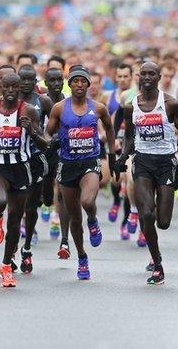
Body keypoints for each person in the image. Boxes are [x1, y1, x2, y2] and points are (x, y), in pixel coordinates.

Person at [118, 62, 178, 284]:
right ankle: (157, 262)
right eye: (144, 74)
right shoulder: (131, 106)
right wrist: (122, 157)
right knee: (146, 214)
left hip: (166, 163)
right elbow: (130, 136)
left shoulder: (170, 103)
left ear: (159, 77)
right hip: (142, 162)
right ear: (138, 77)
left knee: (163, 222)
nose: (147, 77)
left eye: (152, 74)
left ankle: (167, 192)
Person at [0, 73, 47, 287]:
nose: (12, 90)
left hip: (21, 168)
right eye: (7, 87)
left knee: (15, 220)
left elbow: (44, 142)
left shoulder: (28, 111)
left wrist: (31, 130)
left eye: (15, 86)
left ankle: (6, 265)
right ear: (0, 87)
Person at [45, 65, 118, 280]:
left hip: (89, 162)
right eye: (75, 81)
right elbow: (47, 133)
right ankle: (82, 258)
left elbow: (110, 129)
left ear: (88, 84)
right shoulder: (59, 108)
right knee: (75, 219)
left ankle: (93, 220)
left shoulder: (99, 108)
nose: (79, 85)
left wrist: (112, 157)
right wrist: (52, 142)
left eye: (83, 81)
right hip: (67, 164)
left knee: (87, 202)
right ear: (70, 84)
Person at [17, 65, 53, 272]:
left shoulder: (43, 101)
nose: (27, 83)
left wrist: (43, 137)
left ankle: (27, 248)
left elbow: (51, 128)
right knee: (15, 207)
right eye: (24, 79)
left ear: (36, 81)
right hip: (13, 159)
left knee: (31, 208)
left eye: (31, 79)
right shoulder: (9, 101)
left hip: (36, 158)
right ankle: (12, 248)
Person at [41, 67, 71, 258]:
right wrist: (46, 139)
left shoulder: (68, 100)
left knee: (62, 192)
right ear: (45, 82)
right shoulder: (41, 100)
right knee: (46, 196)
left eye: (59, 80)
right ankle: (46, 205)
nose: (56, 83)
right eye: (52, 80)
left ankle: (65, 240)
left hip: (65, 150)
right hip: (45, 150)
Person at [100, 64, 132, 226]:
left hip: (130, 141)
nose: (122, 80)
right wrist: (106, 136)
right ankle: (116, 201)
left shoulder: (134, 95)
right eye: (119, 76)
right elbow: (101, 117)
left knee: (128, 180)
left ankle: (125, 220)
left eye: (126, 76)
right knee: (116, 179)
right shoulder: (107, 96)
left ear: (131, 77)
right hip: (114, 141)